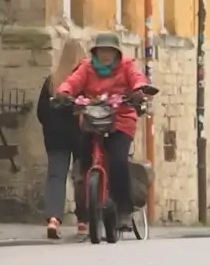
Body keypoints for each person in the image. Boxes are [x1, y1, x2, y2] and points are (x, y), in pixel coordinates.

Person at [54, 32, 149, 228]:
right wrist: (64, 92)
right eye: (101, 51)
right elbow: (73, 81)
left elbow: (137, 78)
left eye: (109, 51)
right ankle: (86, 186)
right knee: (82, 153)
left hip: (120, 119)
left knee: (118, 161)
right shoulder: (87, 68)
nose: (105, 55)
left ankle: (124, 209)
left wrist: (138, 90)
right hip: (93, 118)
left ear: (116, 54)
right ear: (95, 52)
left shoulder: (126, 66)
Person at [38, 38, 89, 239]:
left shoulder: (52, 81)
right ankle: (83, 220)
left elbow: (41, 111)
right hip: (80, 134)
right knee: (81, 175)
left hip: (55, 136)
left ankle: (53, 218)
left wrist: (51, 126)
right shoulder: (84, 82)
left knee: (56, 176)